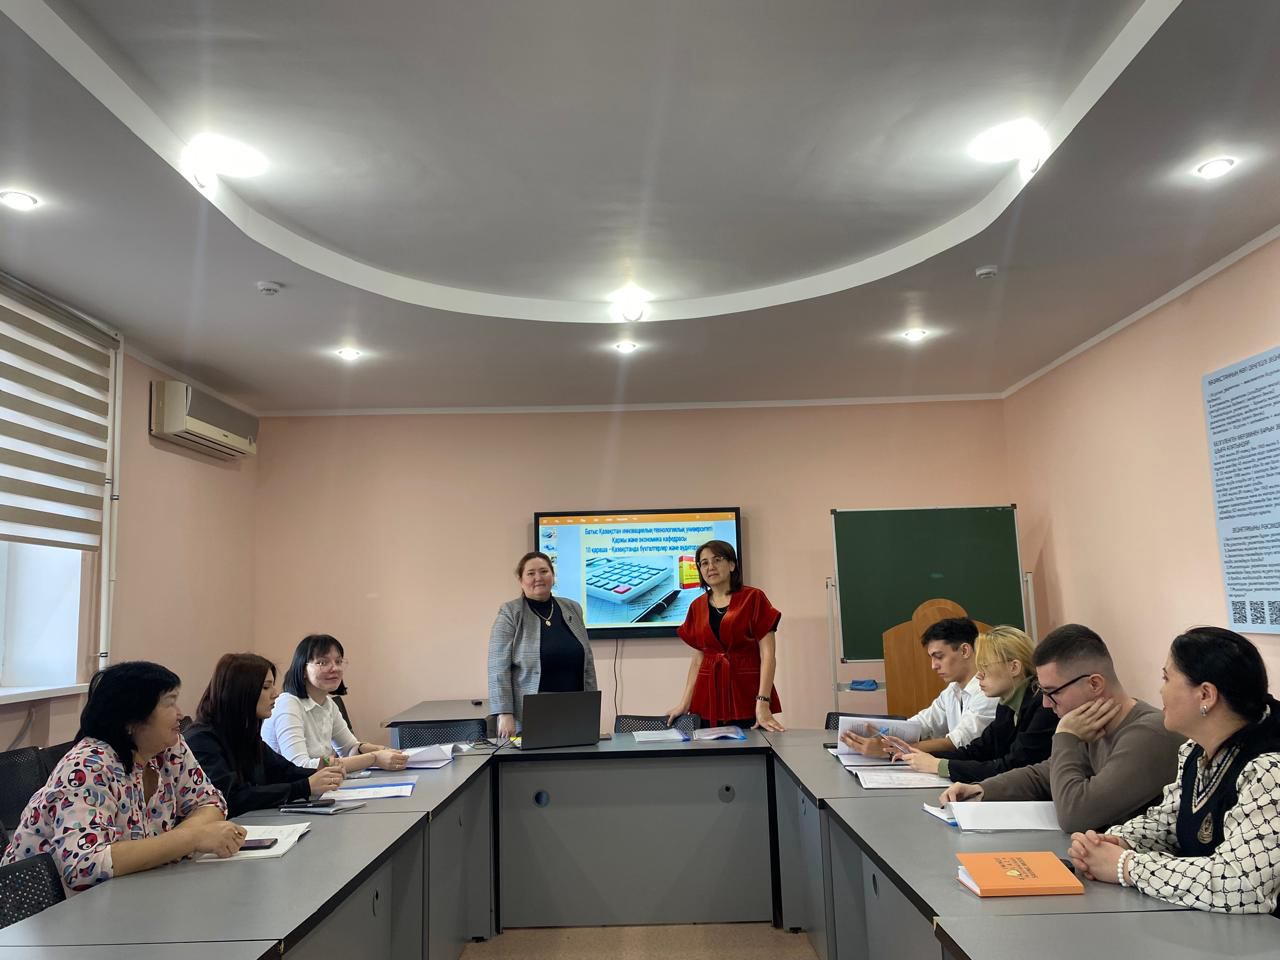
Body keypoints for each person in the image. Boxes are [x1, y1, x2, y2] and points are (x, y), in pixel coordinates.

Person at [1069, 627, 1280, 913]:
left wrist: (1126, 866)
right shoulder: (1196, 750)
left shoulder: (1269, 769)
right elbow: (1168, 823)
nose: (1161, 690)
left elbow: (1239, 885)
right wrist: (1118, 841)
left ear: (1206, 694)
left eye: (1167, 678)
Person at [0, 661, 242, 894]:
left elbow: (210, 803)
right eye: (170, 703)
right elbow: (85, 866)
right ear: (132, 719)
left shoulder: (168, 748)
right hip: (41, 910)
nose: (180, 714)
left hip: (125, 895)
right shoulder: (88, 765)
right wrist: (190, 839)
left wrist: (178, 843)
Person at [938, 623, 1182, 833]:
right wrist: (981, 790)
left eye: (1052, 692)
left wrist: (1065, 736)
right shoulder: (1094, 726)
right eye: (1042, 691)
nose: (1046, 703)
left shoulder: (1149, 735)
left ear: (1094, 684)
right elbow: (1044, 774)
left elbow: (1075, 815)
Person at [884, 625, 1056, 782]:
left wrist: (939, 765)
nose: (979, 675)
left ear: (1014, 667)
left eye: (984, 666)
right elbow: (979, 750)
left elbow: (1011, 767)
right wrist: (921, 756)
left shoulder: (1043, 705)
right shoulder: (1007, 704)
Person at [186, 653, 345, 816]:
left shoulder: (244, 734)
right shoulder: (201, 741)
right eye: (266, 687)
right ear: (241, 691)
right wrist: (305, 786)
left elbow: (282, 771)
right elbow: (231, 798)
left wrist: (322, 775)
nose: (275, 694)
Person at [665, 540, 784, 732]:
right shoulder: (696, 606)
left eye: (717, 560)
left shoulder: (754, 598)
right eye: (704, 563)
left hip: (746, 693)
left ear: (731, 565)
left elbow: (768, 656)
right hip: (707, 696)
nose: (710, 567)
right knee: (709, 750)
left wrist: (763, 702)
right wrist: (684, 703)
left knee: (752, 748)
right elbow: (698, 660)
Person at [842, 617, 997, 757]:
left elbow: (957, 743)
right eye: (932, 658)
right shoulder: (952, 690)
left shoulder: (989, 692)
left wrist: (891, 749)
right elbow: (921, 724)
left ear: (964, 651)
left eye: (939, 657)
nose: (933, 666)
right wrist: (875, 733)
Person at [488, 551, 599, 739]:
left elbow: (587, 661)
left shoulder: (572, 608)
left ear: (553, 576)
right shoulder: (510, 612)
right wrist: (504, 713)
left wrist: (592, 706)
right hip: (530, 712)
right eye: (531, 573)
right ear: (521, 580)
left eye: (544, 571)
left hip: (575, 708)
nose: (538, 578)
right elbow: (498, 667)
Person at [262, 634, 408, 772]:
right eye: (323, 662)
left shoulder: (328, 704)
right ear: (303, 669)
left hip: (320, 785)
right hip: (290, 788)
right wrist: (373, 758)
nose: (335, 668)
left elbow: (349, 749)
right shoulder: (288, 704)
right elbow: (301, 766)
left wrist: (379, 750)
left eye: (338, 661)